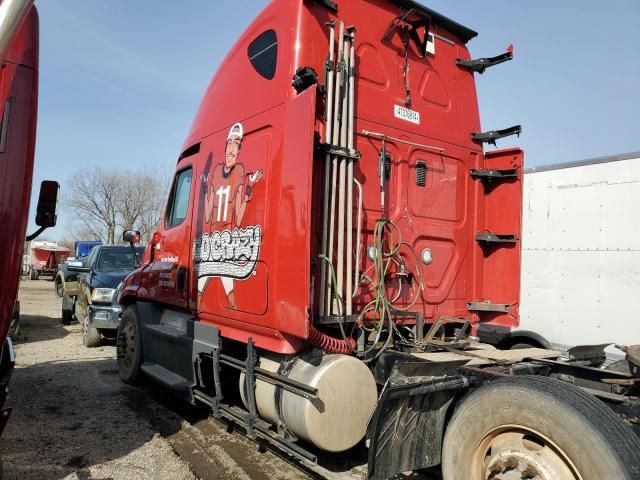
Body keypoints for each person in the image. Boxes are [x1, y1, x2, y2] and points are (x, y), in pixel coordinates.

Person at [201, 122, 263, 308]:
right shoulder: (215, 172)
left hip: (226, 240)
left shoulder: (240, 172)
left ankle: (232, 308)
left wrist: (250, 188)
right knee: (208, 278)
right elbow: (206, 216)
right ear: (225, 146)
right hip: (213, 239)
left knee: (222, 278)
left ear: (239, 151)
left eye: (238, 144)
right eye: (230, 142)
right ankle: (227, 306)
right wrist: (205, 190)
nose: (233, 148)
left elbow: (239, 216)